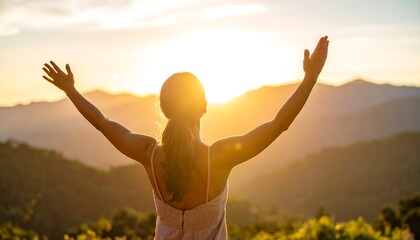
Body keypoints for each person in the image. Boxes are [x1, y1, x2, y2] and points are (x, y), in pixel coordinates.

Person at [42, 36, 329, 239]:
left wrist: (71, 91)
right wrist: (310, 79)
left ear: (165, 109)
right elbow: (278, 124)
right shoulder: (218, 158)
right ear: (204, 106)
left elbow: (103, 124)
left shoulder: (147, 153)